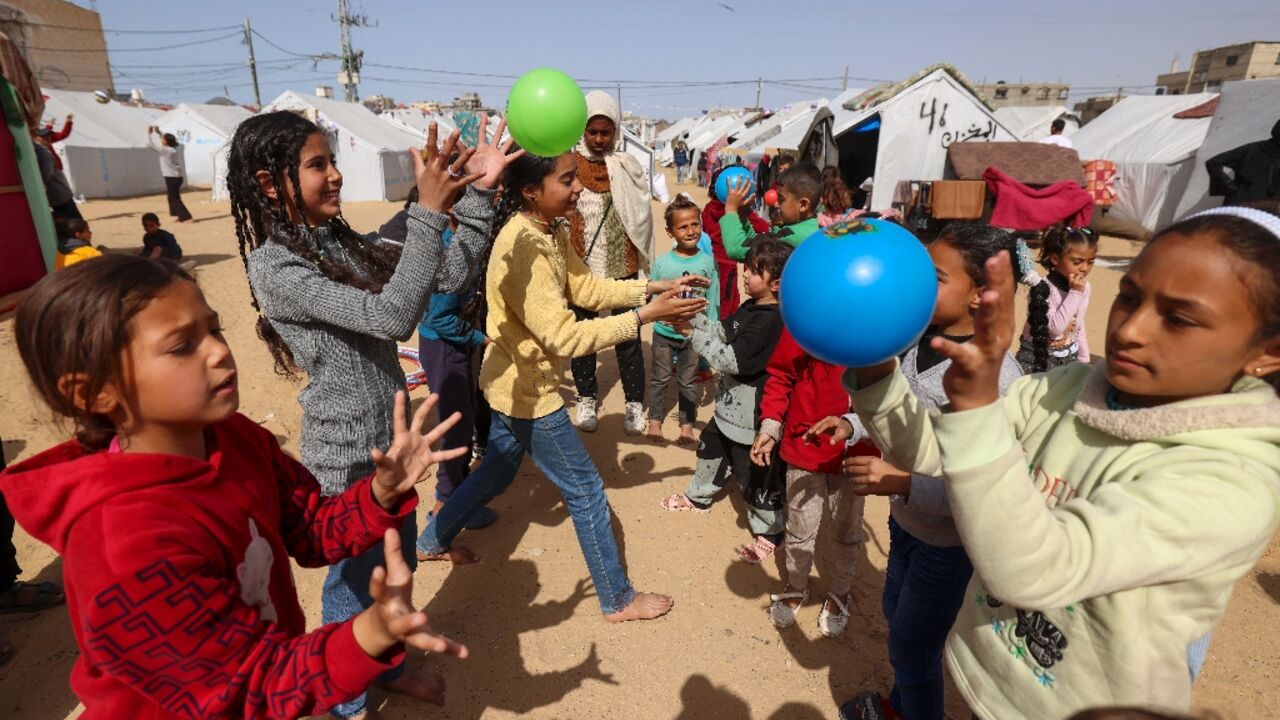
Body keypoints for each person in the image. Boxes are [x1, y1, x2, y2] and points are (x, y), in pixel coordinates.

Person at [841, 206, 1280, 719]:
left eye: (1179, 318)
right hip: (983, 679)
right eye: (1130, 297)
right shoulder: (1066, 390)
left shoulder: (1232, 482)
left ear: (1268, 354)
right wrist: (874, 364)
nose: (1131, 329)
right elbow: (928, 452)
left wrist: (978, 408)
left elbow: (1036, 571)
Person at [3, 255, 470, 718]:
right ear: (93, 393)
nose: (218, 351)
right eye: (182, 345)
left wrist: (379, 492)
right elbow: (242, 688)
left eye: (214, 329)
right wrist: (367, 634)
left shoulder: (235, 438)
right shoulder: (126, 545)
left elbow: (308, 528)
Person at [229, 112, 516, 720]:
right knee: (354, 585)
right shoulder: (275, 267)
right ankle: (347, 703)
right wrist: (429, 213)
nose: (335, 176)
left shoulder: (338, 242)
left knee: (397, 566)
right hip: (345, 457)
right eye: (317, 165)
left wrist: (479, 196)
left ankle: (384, 667)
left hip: (392, 445)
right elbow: (392, 318)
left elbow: (450, 273)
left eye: (333, 161)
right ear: (268, 182)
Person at [417, 151, 708, 622]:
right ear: (531, 190)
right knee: (587, 489)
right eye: (567, 180)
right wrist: (643, 319)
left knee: (495, 469)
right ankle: (616, 598)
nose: (580, 189)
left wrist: (651, 290)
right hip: (529, 390)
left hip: (509, 381)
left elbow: (587, 289)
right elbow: (565, 336)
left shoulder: (548, 230)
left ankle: (432, 539)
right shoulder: (526, 247)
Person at [816, 223, 1030, 720]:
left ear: (980, 295)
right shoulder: (916, 340)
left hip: (948, 545)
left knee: (913, 649)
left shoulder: (996, 380)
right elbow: (902, 413)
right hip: (907, 525)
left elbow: (978, 482)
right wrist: (851, 424)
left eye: (933, 277)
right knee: (897, 617)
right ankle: (903, 702)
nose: (915, 285)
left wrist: (905, 481)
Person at [377, 188, 501, 559]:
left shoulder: (457, 240)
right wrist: (480, 336)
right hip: (446, 348)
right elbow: (442, 316)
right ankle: (446, 507)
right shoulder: (449, 249)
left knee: (459, 421)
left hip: (452, 346)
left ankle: (458, 498)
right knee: (454, 427)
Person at [661, 237, 791, 564]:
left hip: (751, 419)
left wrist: (693, 335)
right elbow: (722, 332)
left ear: (776, 283)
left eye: (754, 272)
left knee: (755, 477)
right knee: (710, 449)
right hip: (726, 411)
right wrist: (692, 319)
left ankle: (770, 530)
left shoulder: (771, 322)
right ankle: (699, 497)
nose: (745, 275)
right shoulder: (751, 307)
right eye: (746, 268)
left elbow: (731, 360)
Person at [749, 319, 880, 638]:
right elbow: (781, 375)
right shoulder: (808, 319)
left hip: (857, 451)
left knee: (847, 528)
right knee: (800, 526)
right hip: (806, 443)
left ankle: (840, 593)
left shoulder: (884, 324)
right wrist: (770, 427)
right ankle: (795, 586)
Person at [567, 91, 655, 435]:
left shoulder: (626, 166)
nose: (600, 139)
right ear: (583, 131)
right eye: (594, 132)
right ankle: (586, 397)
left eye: (607, 132)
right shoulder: (568, 165)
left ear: (616, 131)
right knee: (584, 336)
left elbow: (641, 213)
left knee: (628, 336)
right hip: (583, 268)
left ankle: (635, 404)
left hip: (622, 264)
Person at [647, 195, 719, 444]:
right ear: (670, 232)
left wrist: (709, 332)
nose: (690, 230)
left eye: (695, 224)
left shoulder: (708, 262)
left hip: (692, 336)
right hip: (664, 334)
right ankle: (655, 420)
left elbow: (713, 299)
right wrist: (656, 316)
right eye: (682, 226)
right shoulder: (662, 264)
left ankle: (686, 425)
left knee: (688, 381)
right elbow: (651, 296)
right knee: (660, 378)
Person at [1017, 225, 1097, 374]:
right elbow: (1054, 329)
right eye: (1077, 262)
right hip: (1037, 355)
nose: (1085, 268)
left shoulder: (1084, 287)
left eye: (1090, 262)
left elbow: (1078, 322)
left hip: (1069, 355)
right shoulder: (1044, 288)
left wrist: (1084, 357)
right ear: (1055, 259)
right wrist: (1075, 294)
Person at [703, 165, 771, 319]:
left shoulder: (708, 209)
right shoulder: (735, 211)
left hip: (710, 261)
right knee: (727, 301)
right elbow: (763, 227)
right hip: (728, 264)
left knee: (712, 298)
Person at [720, 162, 823, 260]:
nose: (776, 203)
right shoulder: (803, 228)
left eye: (781, 199)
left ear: (803, 205)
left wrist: (730, 210)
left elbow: (737, 249)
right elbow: (755, 242)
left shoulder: (793, 237)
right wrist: (742, 214)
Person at [1205, 118, 1280, 205]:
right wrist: (1229, 187)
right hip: (1242, 205)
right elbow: (1213, 162)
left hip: (1269, 209)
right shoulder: (1253, 149)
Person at [146, 125, 193, 223]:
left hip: (172, 178)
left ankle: (186, 217)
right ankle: (179, 215)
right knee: (172, 197)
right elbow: (166, 139)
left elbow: (150, 145)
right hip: (174, 177)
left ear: (166, 142)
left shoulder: (165, 150)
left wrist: (149, 134)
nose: (161, 140)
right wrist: (159, 132)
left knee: (174, 198)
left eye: (162, 139)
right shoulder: (173, 148)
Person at [33, 130, 81, 221]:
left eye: (49, 136)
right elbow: (47, 172)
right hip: (59, 193)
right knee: (72, 221)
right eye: (44, 137)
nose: (48, 139)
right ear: (35, 137)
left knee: (71, 221)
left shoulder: (42, 149)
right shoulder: (42, 151)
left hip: (59, 193)